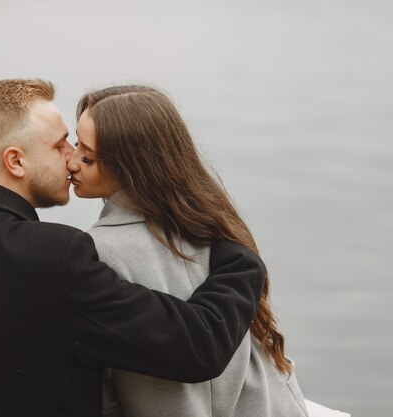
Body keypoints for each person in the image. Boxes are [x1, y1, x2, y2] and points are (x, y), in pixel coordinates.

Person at [0, 79, 267, 417]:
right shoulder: (57, 256)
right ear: (15, 161)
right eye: (59, 146)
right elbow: (198, 346)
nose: (72, 158)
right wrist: (240, 258)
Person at [67, 85, 311, 417]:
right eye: (75, 144)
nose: (71, 161)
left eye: (86, 155)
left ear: (129, 165)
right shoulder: (215, 230)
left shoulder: (95, 253)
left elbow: (105, 389)